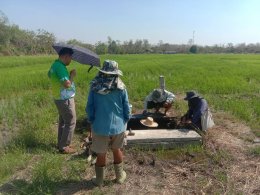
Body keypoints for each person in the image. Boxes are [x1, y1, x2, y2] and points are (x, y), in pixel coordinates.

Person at [86, 60, 130, 186]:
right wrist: (125, 120)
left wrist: (92, 120)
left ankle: (99, 181)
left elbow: (90, 107)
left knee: (101, 153)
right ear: (115, 73)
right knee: (117, 150)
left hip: (100, 126)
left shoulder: (94, 87)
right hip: (118, 126)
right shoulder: (121, 87)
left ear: (102, 72)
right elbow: (126, 107)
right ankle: (120, 177)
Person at [48, 47, 76, 154]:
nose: (71, 60)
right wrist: (71, 76)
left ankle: (61, 143)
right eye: (70, 58)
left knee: (63, 121)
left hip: (58, 97)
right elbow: (67, 84)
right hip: (64, 99)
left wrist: (65, 76)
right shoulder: (60, 67)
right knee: (71, 121)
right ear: (65, 56)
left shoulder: (55, 65)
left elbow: (49, 75)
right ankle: (64, 147)